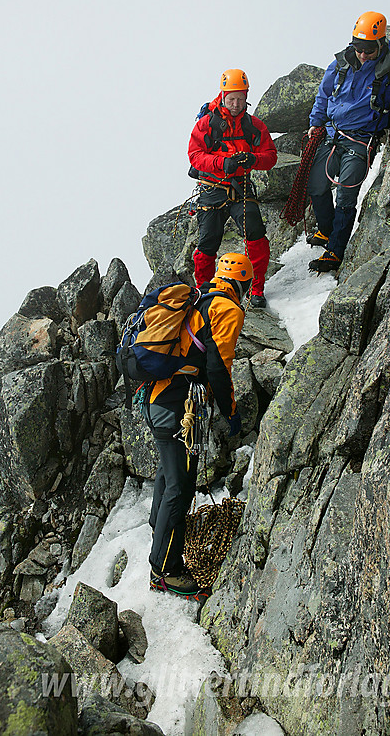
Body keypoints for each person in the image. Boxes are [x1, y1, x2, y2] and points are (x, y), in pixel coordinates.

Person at [148, 252, 252, 598]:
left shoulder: (202, 298)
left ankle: (159, 536)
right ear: (243, 282)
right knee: (180, 485)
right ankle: (165, 570)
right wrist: (231, 412)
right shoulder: (227, 310)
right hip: (176, 405)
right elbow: (220, 368)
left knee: (169, 473)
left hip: (158, 399)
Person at [306, 11, 390, 272]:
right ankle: (327, 231)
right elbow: (323, 95)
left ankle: (335, 252)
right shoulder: (340, 64)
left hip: (361, 141)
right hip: (330, 133)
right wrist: (316, 122)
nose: (362, 54)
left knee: (346, 198)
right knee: (316, 188)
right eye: (358, 47)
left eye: (368, 49)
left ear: (380, 44)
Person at [188, 69, 277, 307]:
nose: (236, 104)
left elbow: (270, 156)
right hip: (212, 187)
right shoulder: (207, 124)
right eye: (232, 99)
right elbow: (194, 156)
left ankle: (256, 289)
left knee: (256, 233)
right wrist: (221, 163)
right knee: (208, 241)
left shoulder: (253, 126)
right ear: (223, 95)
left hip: (241, 186)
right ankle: (202, 291)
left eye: (241, 99)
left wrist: (253, 160)